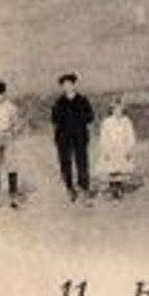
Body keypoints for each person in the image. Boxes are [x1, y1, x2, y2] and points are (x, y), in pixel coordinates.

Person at [50, 73, 94, 202]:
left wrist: (78, 122)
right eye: (64, 85)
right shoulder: (59, 102)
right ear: (62, 87)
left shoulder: (82, 100)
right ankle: (70, 189)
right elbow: (54, 119)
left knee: (82, 164)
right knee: (65, 164)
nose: (67, 87)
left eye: (70, 84)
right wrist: (63, 125)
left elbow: (90, 116)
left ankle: (84, 190)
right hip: (63, 138)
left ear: (74, 85)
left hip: (80, 136)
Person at [97, 98, 137, 200]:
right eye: (115, 109)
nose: (118, 112)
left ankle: (118, 188)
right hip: (111, 149)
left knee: (120, 169)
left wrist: (129, 149)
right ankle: (113, 188)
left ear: (123, 110)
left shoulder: (126, 121)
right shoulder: (107, 122)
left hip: (122, 148)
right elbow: (103, 136)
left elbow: (131, 136)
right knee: (112, 169)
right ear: (112, 110)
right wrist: (105, 150)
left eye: (120, 109)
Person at [0, 81, 21, 208]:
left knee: (12, 165)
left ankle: (13, 197)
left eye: (0, 94)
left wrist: (13, 133)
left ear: (5, 94)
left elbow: (17, 123)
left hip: (8, 136)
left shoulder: (11, 107)